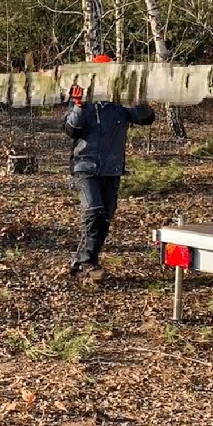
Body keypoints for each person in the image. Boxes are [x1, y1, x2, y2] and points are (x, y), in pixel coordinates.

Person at [63, 53, 155, 280]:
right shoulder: (82, 99)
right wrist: (78, 105)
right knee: (93, 211)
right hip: (85, 166)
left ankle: (81, 261)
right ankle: (88, 263)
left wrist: (137, 96)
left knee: (104, 217)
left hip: (112, 169)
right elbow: (71, 129)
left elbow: (146, 117)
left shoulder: (120, 103)